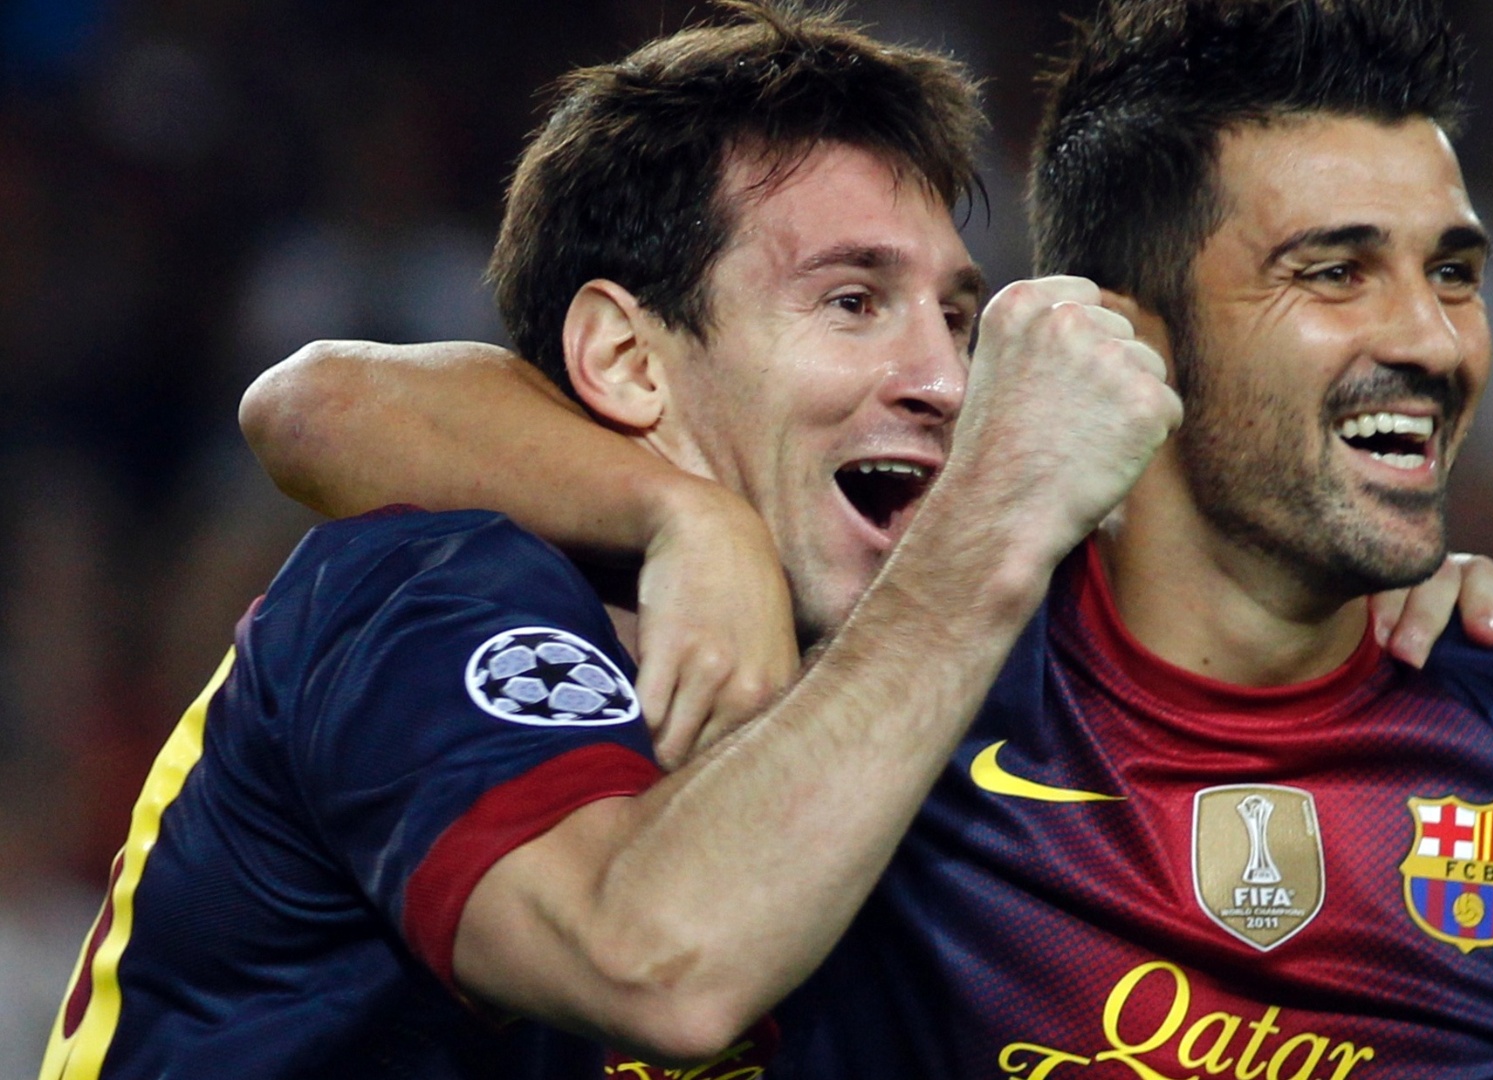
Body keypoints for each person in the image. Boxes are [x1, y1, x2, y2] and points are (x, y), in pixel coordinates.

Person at [239, 1, 1493, 1077]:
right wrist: (685, 514)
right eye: (1333, 272)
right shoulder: (884, 657)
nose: (1429, 338)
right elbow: (321, 403)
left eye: (1453, 272)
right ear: (1118, 345)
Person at [39, 8, 1192, 1077]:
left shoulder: (910, 684)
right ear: (629, 361)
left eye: (955, 316)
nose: (946, 379)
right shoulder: (429, 595)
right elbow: (655, 963)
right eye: (851, 302)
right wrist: (747, 520)